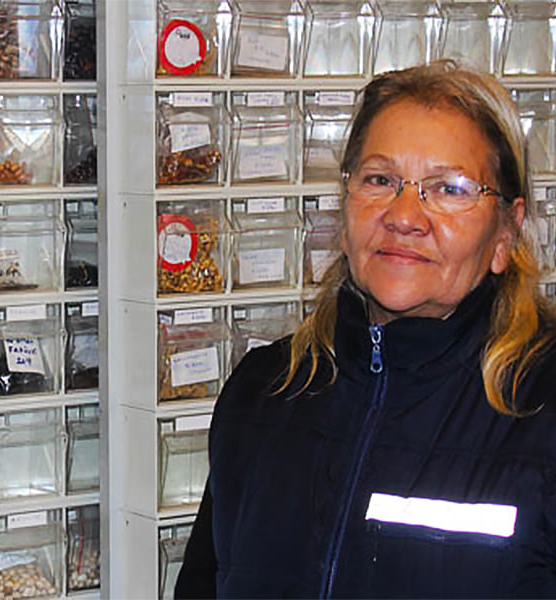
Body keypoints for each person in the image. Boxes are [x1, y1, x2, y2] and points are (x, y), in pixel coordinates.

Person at [175, 60, 556, 598]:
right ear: (345, 204)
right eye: (380, 180)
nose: (404, 216)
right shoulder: (264, 393)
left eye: (449, 189)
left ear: (505, 233)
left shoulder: (542, 407)